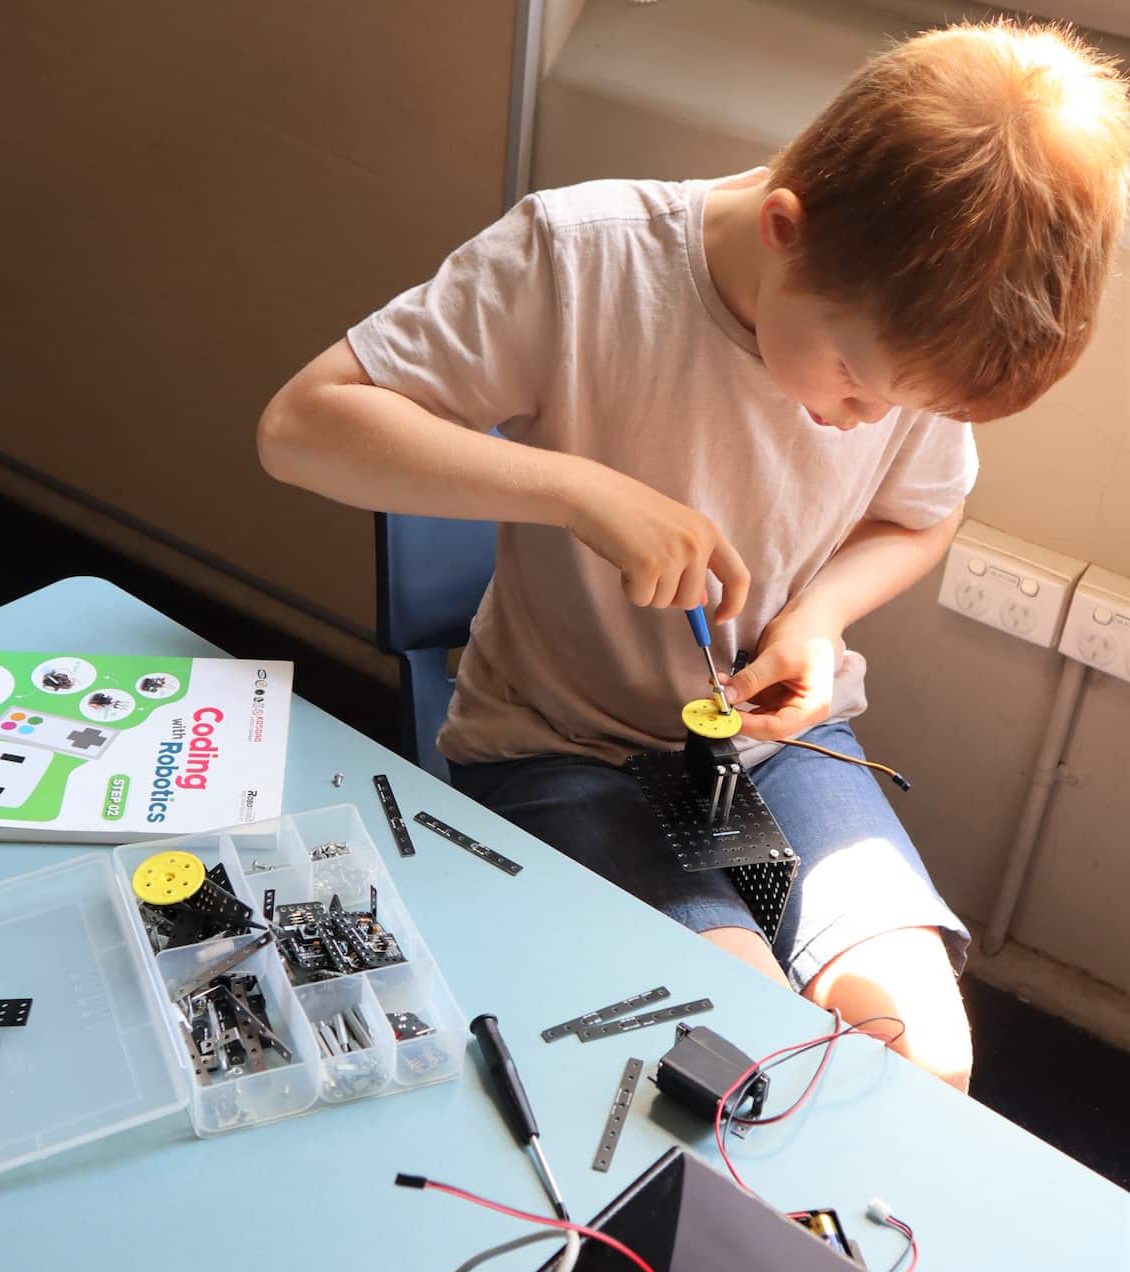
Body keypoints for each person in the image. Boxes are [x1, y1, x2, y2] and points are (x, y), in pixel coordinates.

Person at [257, 21, 1130, 1090]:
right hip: (558, 741)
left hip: (767, 751)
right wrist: (580, 492)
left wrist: (814, 620)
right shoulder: (575, 261)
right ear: (781, 230)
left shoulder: (902, 335)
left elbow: (918, 516)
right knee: (739, 1038)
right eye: (855, 384)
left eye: (901, 405)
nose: (862, 423)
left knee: (923, 1057)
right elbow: (299, 430)